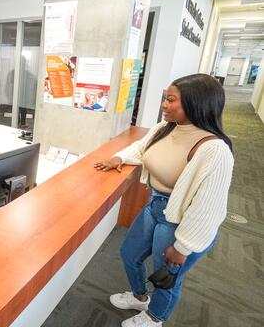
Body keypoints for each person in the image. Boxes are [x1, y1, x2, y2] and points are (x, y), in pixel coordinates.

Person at [94, 74, 234, 327]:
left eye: (171, 100)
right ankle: (139, 298)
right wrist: (118, 158)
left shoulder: (215, 150)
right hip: (155, 206)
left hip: (182, 220)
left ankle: (155, 317)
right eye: (164, 99)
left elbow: (208, 208)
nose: (164, 105)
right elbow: (141, 149)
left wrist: (183, 247)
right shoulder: (165, 128)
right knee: (129, 254)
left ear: (196, 103)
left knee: (167, 275)